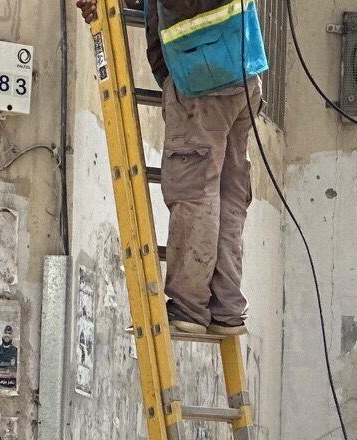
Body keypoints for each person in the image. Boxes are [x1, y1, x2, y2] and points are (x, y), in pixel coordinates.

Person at [79, 0, 269, 338]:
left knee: (194, 193)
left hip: (204, 78)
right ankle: (226, 308)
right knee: (228, 196)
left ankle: (189, 305)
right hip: (239, 71)